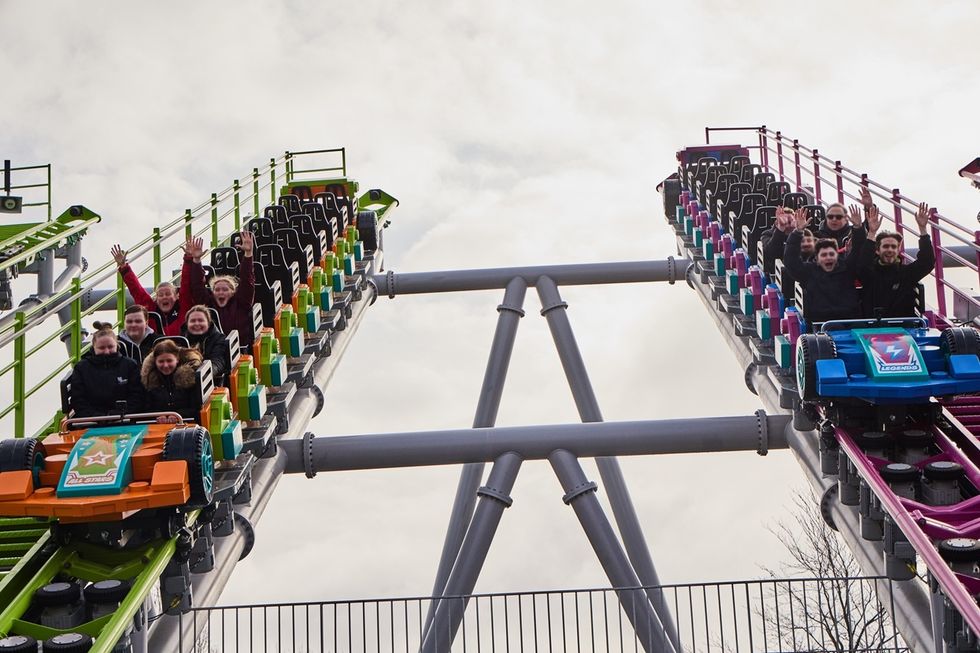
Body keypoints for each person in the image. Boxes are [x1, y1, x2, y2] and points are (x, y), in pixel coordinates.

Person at [783, 205, 867, 325]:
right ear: (817, 258)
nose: (828, 257)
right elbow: (791, 261)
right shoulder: (808, 271)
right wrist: (798, 232)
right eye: (824, 255)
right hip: (820, 324)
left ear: (837, 256)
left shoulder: (847, 268)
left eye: (831, 254)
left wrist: (858, 228)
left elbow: (859, 250)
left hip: (849, 321)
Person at [860, 201, 936, 317]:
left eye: (893, 247)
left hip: (903, 328)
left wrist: (923, 230)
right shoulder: (869, 273)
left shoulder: (906, 273)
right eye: (885, 246)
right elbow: (863, 263)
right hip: (872, 328)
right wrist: (871, 233)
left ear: (898, 250)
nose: (890, 250)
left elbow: (927, 262)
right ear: (877, 250)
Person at [110, 240, 198, 336]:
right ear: (156, 298)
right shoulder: (151, 310)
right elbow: (137, 290)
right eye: (160, 295)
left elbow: (186, 283)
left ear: (177, 296)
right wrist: (124, 267)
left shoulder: (184, 307)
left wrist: (188, 258)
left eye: (168, 294)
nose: (164, 297)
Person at [185, 231, 256, 348]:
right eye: (217, 290)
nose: (221, 292)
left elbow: (247, 279)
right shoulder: (208, 304)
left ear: (233, 292)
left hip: (239, 348)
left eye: (225, 289)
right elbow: (197, 285)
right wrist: (196, 260)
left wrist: (248, 253)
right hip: (215, 348)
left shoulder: (242, 302)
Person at [69, 324, 144, 417]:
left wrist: (121, 413)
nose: (107, 351)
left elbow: (137, 395)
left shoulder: (130, 365)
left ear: (116, 345)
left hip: (125, 418)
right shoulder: (81, 368)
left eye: (110, 347)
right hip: (91, 421)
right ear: (93, 348)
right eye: (101, 348)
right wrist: (95, 416)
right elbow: (78, 399)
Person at [761, 206, 816, 304]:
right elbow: (772, 253)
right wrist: (780, 230)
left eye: (790, 220)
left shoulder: (806, 236)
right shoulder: (767, 235)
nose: (788, 223)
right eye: (784, 220)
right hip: (781, 277)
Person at [141, 339, 204, 423]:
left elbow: (196, 407)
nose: (165, 365)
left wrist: (177, 414)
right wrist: (158, 415)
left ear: (177, 359)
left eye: (169, 361)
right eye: (161, 361)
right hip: (158, 427)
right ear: (155, 362)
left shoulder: (189, 378)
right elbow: (145, 408)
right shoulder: (149, 380)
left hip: (188, 423)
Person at [181, 304, 230, 382]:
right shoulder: (181, 340)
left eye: (201, 320)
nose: (197, 324)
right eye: (192, 321)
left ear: (208, 323)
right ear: (187, 324)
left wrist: (201, 375)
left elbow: (217, 362)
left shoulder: (219, 339)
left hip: (211, 381)